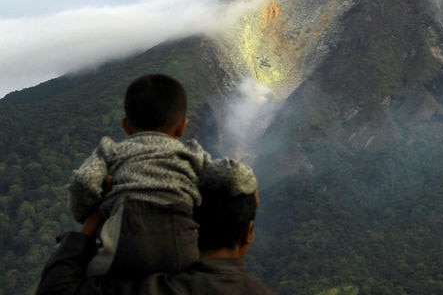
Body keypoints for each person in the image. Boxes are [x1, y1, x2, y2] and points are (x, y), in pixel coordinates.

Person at [67, 74, 246, 276]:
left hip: (125, 242)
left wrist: (88, 214)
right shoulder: (193, 154)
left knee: (84, 273)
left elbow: (83, 180)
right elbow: (234, 176)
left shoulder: (110, 150)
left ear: (126, 125)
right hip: (180, 246)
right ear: (182, 126)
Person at [36, 160, 275, 294]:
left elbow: (55, 290)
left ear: (190, 223)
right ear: (247, 233)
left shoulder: (149, 288)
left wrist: (97, 213)